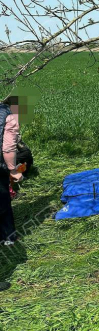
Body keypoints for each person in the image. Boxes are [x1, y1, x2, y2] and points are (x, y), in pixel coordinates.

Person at [0, 96, 23, 246]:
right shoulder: (9, 115)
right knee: (2, 200)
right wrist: (13, 170)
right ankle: (8, 238)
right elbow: (8, 147)